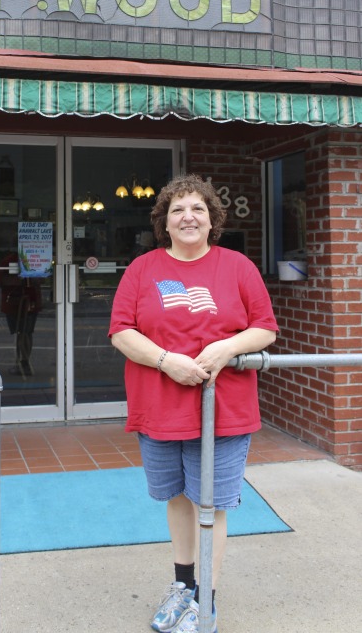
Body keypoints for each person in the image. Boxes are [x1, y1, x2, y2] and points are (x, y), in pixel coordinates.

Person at [108, 174, 278, 633]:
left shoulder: (237, 266)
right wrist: (166, 362)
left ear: (211, 220)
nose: (188, 216)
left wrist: (226, 349)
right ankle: (183, 587)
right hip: (159, 404)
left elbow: (265, 327)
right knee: (179, 499)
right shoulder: (142, 269)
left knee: (211, 503)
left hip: (223, 407)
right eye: (178, 209)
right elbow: (121, 331)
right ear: (164, 221)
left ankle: (206, 599)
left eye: (197, 209)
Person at [0, 251, 42, 376]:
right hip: (17, 302)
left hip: (27, 302)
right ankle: (23, 362)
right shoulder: (10, 260)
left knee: (24, 333)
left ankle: (23, 362)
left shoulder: (33, 258)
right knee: (23, 333)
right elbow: (0, 280)